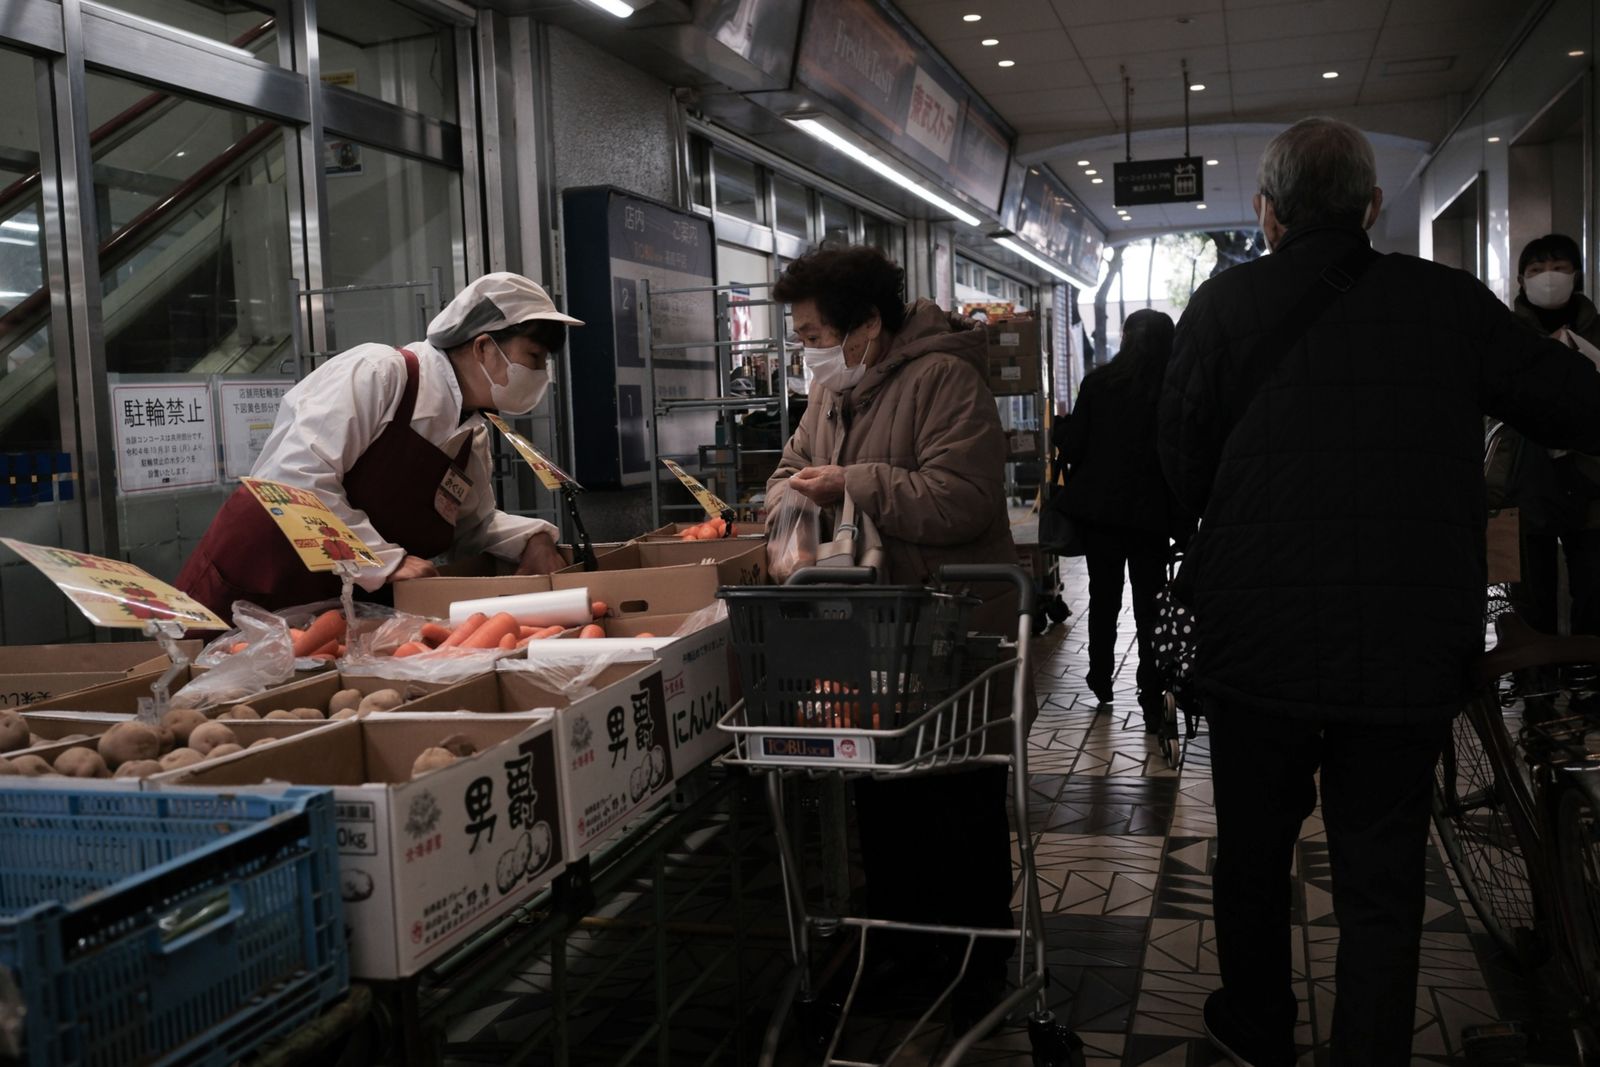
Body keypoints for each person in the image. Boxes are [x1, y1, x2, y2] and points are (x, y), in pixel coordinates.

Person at [1159, 117, 1600, 1067]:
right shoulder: (1452, 304)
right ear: (1370, 207)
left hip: (1256, 640)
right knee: (1382, 870)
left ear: (1268, 214)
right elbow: (1576, 405)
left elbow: (1182, 469)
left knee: (1252, 853)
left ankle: (1258, 1026)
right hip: (1407, 643)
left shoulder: (1221, 308)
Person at [766, 244, 1018, 1019]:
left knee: (957, 803)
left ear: (867, 324)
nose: (807, 352)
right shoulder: (833, 395)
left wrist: (852, 483)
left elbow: (964, 497)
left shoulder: (944, 377)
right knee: (883, 796)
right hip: (868, 636)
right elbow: (786, 471)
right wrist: (792, 508)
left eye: (814, 335)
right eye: (800, 336)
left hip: (948, 632)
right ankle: (904, 950)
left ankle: (975, 962)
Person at [177, 273, 580, 617]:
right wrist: (387, 562)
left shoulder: (470, 438)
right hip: (256, 583)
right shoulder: (379, 374)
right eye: (534, 356)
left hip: (330, 611)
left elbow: (474, 526)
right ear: (484, 347)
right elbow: (293, 481)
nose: (541, 374)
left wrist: (535, 537)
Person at [1056, 309, 1186, 727]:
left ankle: (1099, 676)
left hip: (1101, 515)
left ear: (1126, 338)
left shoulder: (1098, 384)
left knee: (1104, 596)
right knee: (1150, 604)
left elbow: (1073, 448)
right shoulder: (1174, 390)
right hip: (1152, 517)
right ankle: (1152, 694)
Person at [1502, 234, 1600, 641]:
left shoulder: (1596, 330)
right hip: (1522, 482)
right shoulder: (1502, 333)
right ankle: (1534, 685)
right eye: (1537, 269)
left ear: (1576, 276)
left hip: (1592, 479)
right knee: (1528, 595)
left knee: (1595, 587)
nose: (1548, 277)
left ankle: (1588, 676)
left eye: (1559, 268)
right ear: (1520, 280)